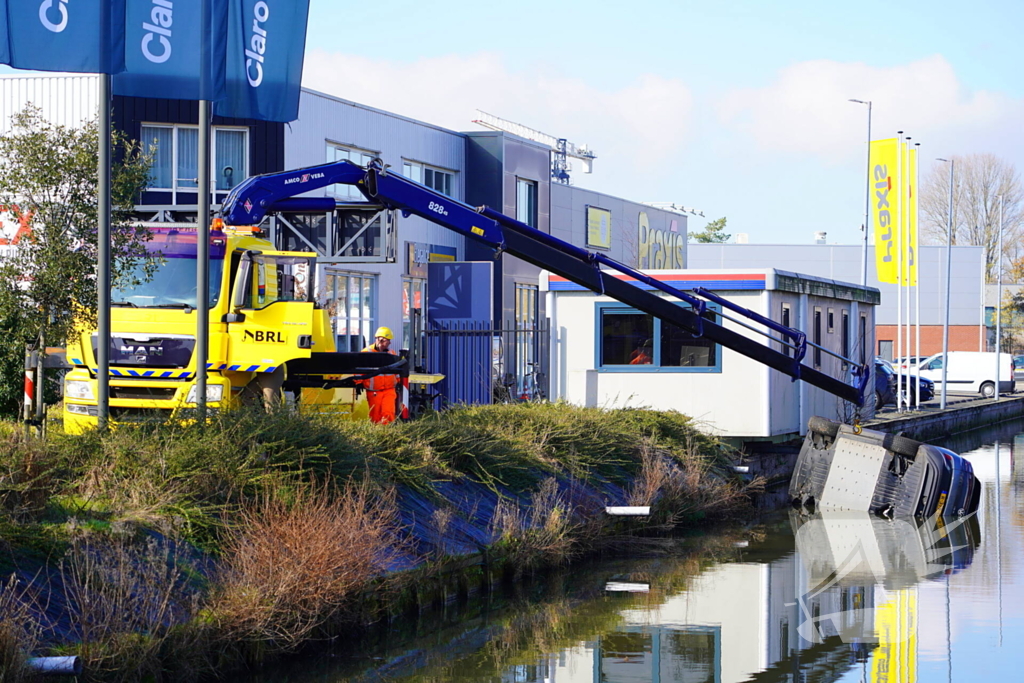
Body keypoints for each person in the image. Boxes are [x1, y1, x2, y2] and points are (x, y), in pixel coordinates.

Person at [359, 326, 402, 424]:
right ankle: (377, 432)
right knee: (375, 415)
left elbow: (396, 371)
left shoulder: (391, 353)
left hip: (389, 389)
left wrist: (399, 382)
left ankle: (387, 431)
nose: (390, 343)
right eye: (388, 340)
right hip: (374, 391)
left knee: (389, 413)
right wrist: (358, 382)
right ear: (380, 340)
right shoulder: (366, 353)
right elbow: (359, 369)